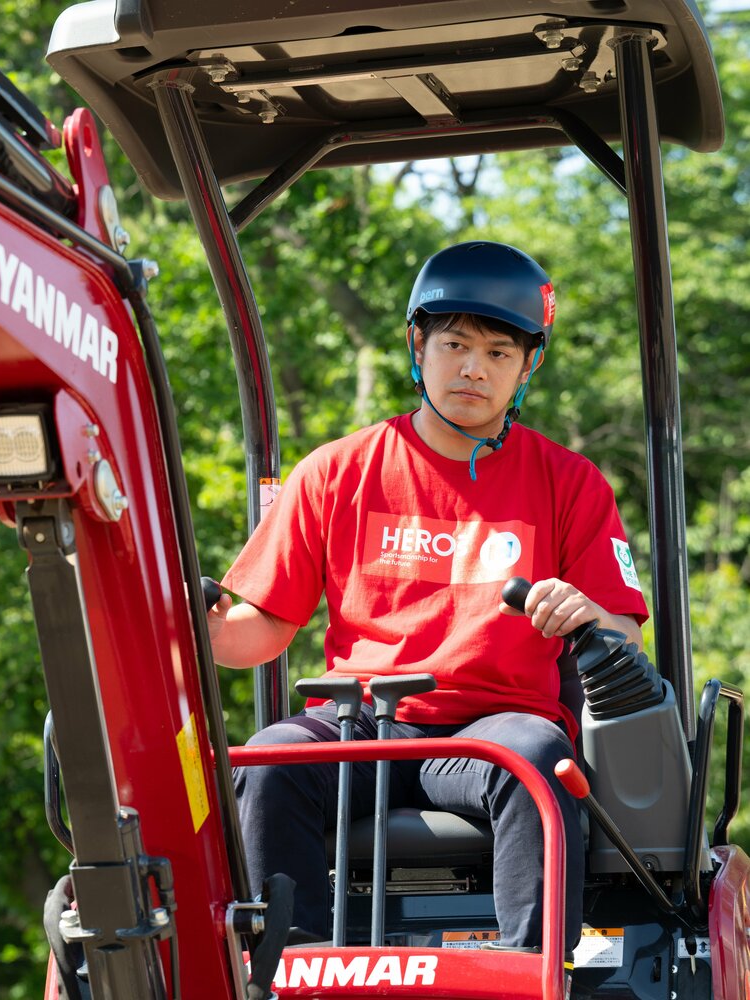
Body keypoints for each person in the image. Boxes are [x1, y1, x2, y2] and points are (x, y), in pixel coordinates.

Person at [207, 240, 649, 952]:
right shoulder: (337, 471)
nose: (474, 368)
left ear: (527, 367)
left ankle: (529, 976)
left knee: (538, 759)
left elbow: (623, 636)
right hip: (361, 727)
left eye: (500, 353)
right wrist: (193, 621)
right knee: (268, 763)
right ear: (418, 345)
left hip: (489, 732)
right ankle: (290, 971)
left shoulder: (569, 483)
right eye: (455, 344)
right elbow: (252, 632)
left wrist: (584, 612)